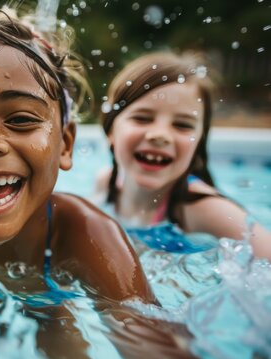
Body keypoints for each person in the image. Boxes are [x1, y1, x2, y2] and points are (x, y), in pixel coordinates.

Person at [0, 7, 191, 358]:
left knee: (58, 330)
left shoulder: (88, 236)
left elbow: (151, 341)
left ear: (65, 143)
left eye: (19, 119)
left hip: (52, 306)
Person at [94, 51, 271, 259]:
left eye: (182, 125)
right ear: (110, 130)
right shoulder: (106, 184)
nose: (160, 135)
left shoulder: (204, 209)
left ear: (198, 142)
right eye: (142, 118)